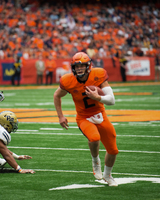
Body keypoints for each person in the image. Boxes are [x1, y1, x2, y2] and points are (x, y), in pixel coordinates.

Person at [53, 52, 119, 186]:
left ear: (88, 66)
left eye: (82, 66)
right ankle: (95, 162)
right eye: (76, 67)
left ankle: (108, 175)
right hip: (84, 117)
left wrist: (98, 98)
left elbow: (111, 100)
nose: (79, 69)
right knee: (94, 138)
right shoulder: (68, 80)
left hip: (101, 115)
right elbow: (57, 95)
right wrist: (60, 116)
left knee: (113, 150)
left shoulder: (98, 75)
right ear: (73, 68)